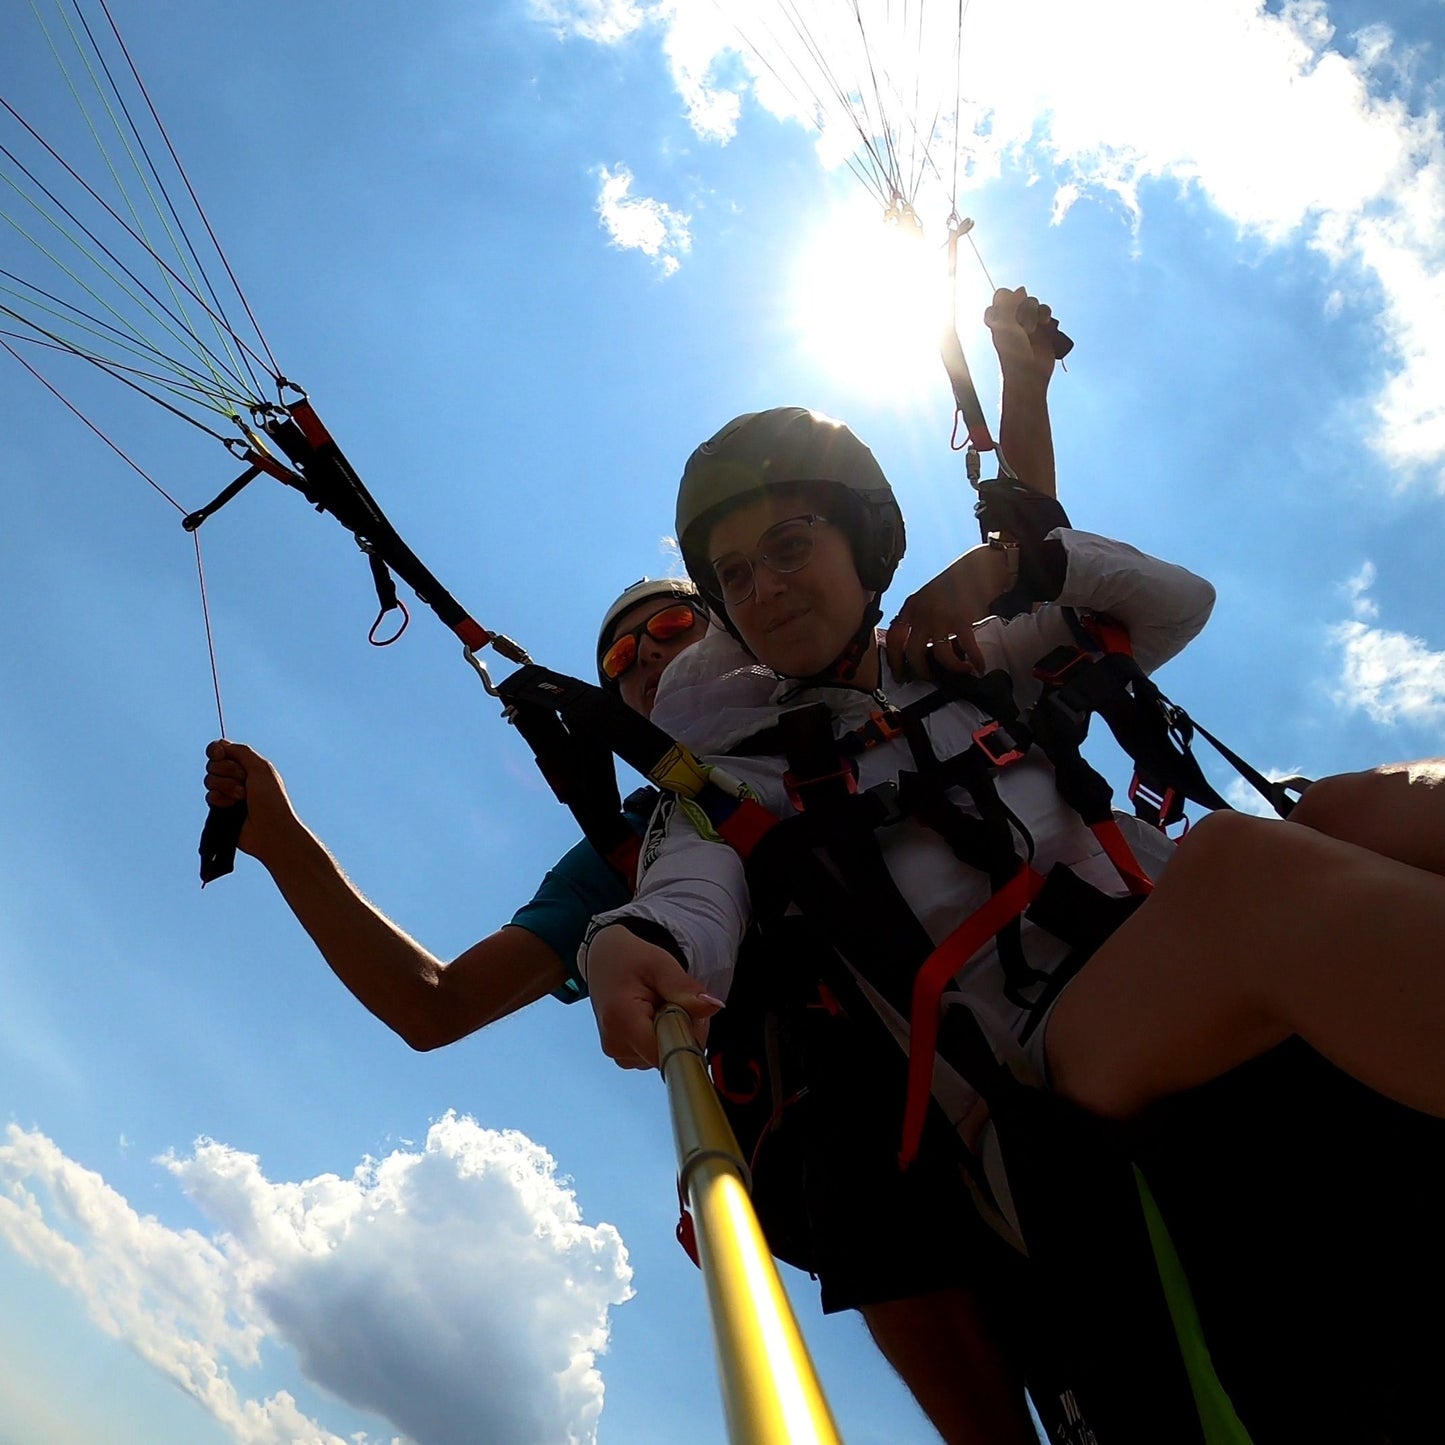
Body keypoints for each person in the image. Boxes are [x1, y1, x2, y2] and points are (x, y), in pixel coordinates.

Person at [580, 403, 1445, 1441]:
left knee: (1353, 806)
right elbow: (687, 899)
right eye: (732, 574)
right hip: (1033, 1083)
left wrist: (1005, 565)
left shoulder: (969, 656)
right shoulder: (723, 776)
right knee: (1242, 861)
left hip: (1183, 950)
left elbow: (1174, 604)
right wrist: (628, 941)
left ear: (862, 542)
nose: (761, 584)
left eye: (787, 543)